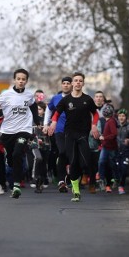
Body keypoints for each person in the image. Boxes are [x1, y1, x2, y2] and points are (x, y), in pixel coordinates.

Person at [48, 72, 100, 202]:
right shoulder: (65, 100)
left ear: (83, 83)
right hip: (69, 134)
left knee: (84, 161)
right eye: (75, 80)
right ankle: (76, 191)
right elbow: (56, 113)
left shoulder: (87, 99)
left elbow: (96, 114)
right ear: (72, 83)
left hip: (83, 134)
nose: (77, 83)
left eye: (80, 81)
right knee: (73, 162)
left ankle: (81, 180)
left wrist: (94, 126)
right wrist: (53, 123)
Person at [0, 69, 38, 199]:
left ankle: (16, 185)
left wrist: (37, 121)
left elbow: (33, 106)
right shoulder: (6, 94)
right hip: (8, 131)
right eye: (18, 79)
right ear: (14, 80)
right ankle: (10, 162)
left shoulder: (29, 95)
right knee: (12, 159)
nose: (21, 81)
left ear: (26, 81)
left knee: (18, 153)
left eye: (23, 79)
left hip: (24, 129)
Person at [43, 76, 73, 193]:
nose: (66, 85)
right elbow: (48, 109)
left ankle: (70, 176)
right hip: (59, 130)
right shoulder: (56, 98)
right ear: (62, 85)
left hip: (72, 131)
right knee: (62, 152)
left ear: (71, 85)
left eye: (68, 83)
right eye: (64, 83)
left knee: (71, 155)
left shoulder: (76, 98)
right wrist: (46, 124)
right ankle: (61, 180)